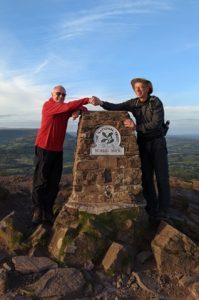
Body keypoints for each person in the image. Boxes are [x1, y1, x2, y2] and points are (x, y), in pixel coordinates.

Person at [91, 78, 170, 222]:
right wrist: (101, 103)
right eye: (135, 88)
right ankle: (152, 208)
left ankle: (163, 211)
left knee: (161, 177)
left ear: (148, 88)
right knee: (146, 178)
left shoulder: (155, 102)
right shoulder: (134, 103)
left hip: (157, 143)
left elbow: (156, 123)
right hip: (143, 143)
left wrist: (135, 128)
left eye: (141, 87)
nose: (138, 90)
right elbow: (117, 107)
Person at [32, 85, 94, 225]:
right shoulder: (48, 105)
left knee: (54, 183)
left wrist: (78, 110)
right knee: (40, 181)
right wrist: (86, 100)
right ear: (52, 94)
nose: (61, 96)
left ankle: (48, 210)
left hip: (57, 150)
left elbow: (82, 109)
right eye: (58, 94)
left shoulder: (63, 108)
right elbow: (67, 107)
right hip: (44, 148)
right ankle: (37, 209)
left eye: (63, 95)